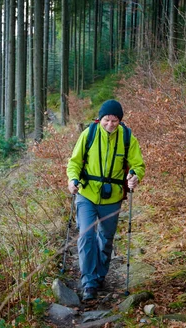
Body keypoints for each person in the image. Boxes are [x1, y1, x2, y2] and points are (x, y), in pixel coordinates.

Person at [67, 99, 146, 302]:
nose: (110, 124)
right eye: (106, 120)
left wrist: (135, 175)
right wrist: (72, 179)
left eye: (115, 120)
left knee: (106, 239)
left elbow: (138, 164)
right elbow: (74, 162)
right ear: (99, 118)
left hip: (112, 196)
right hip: (86, 193)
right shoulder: (89, 134)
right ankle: (89, 282)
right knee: (86, 236)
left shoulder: (127, 137)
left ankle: (100, 275)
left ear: (120, 121)